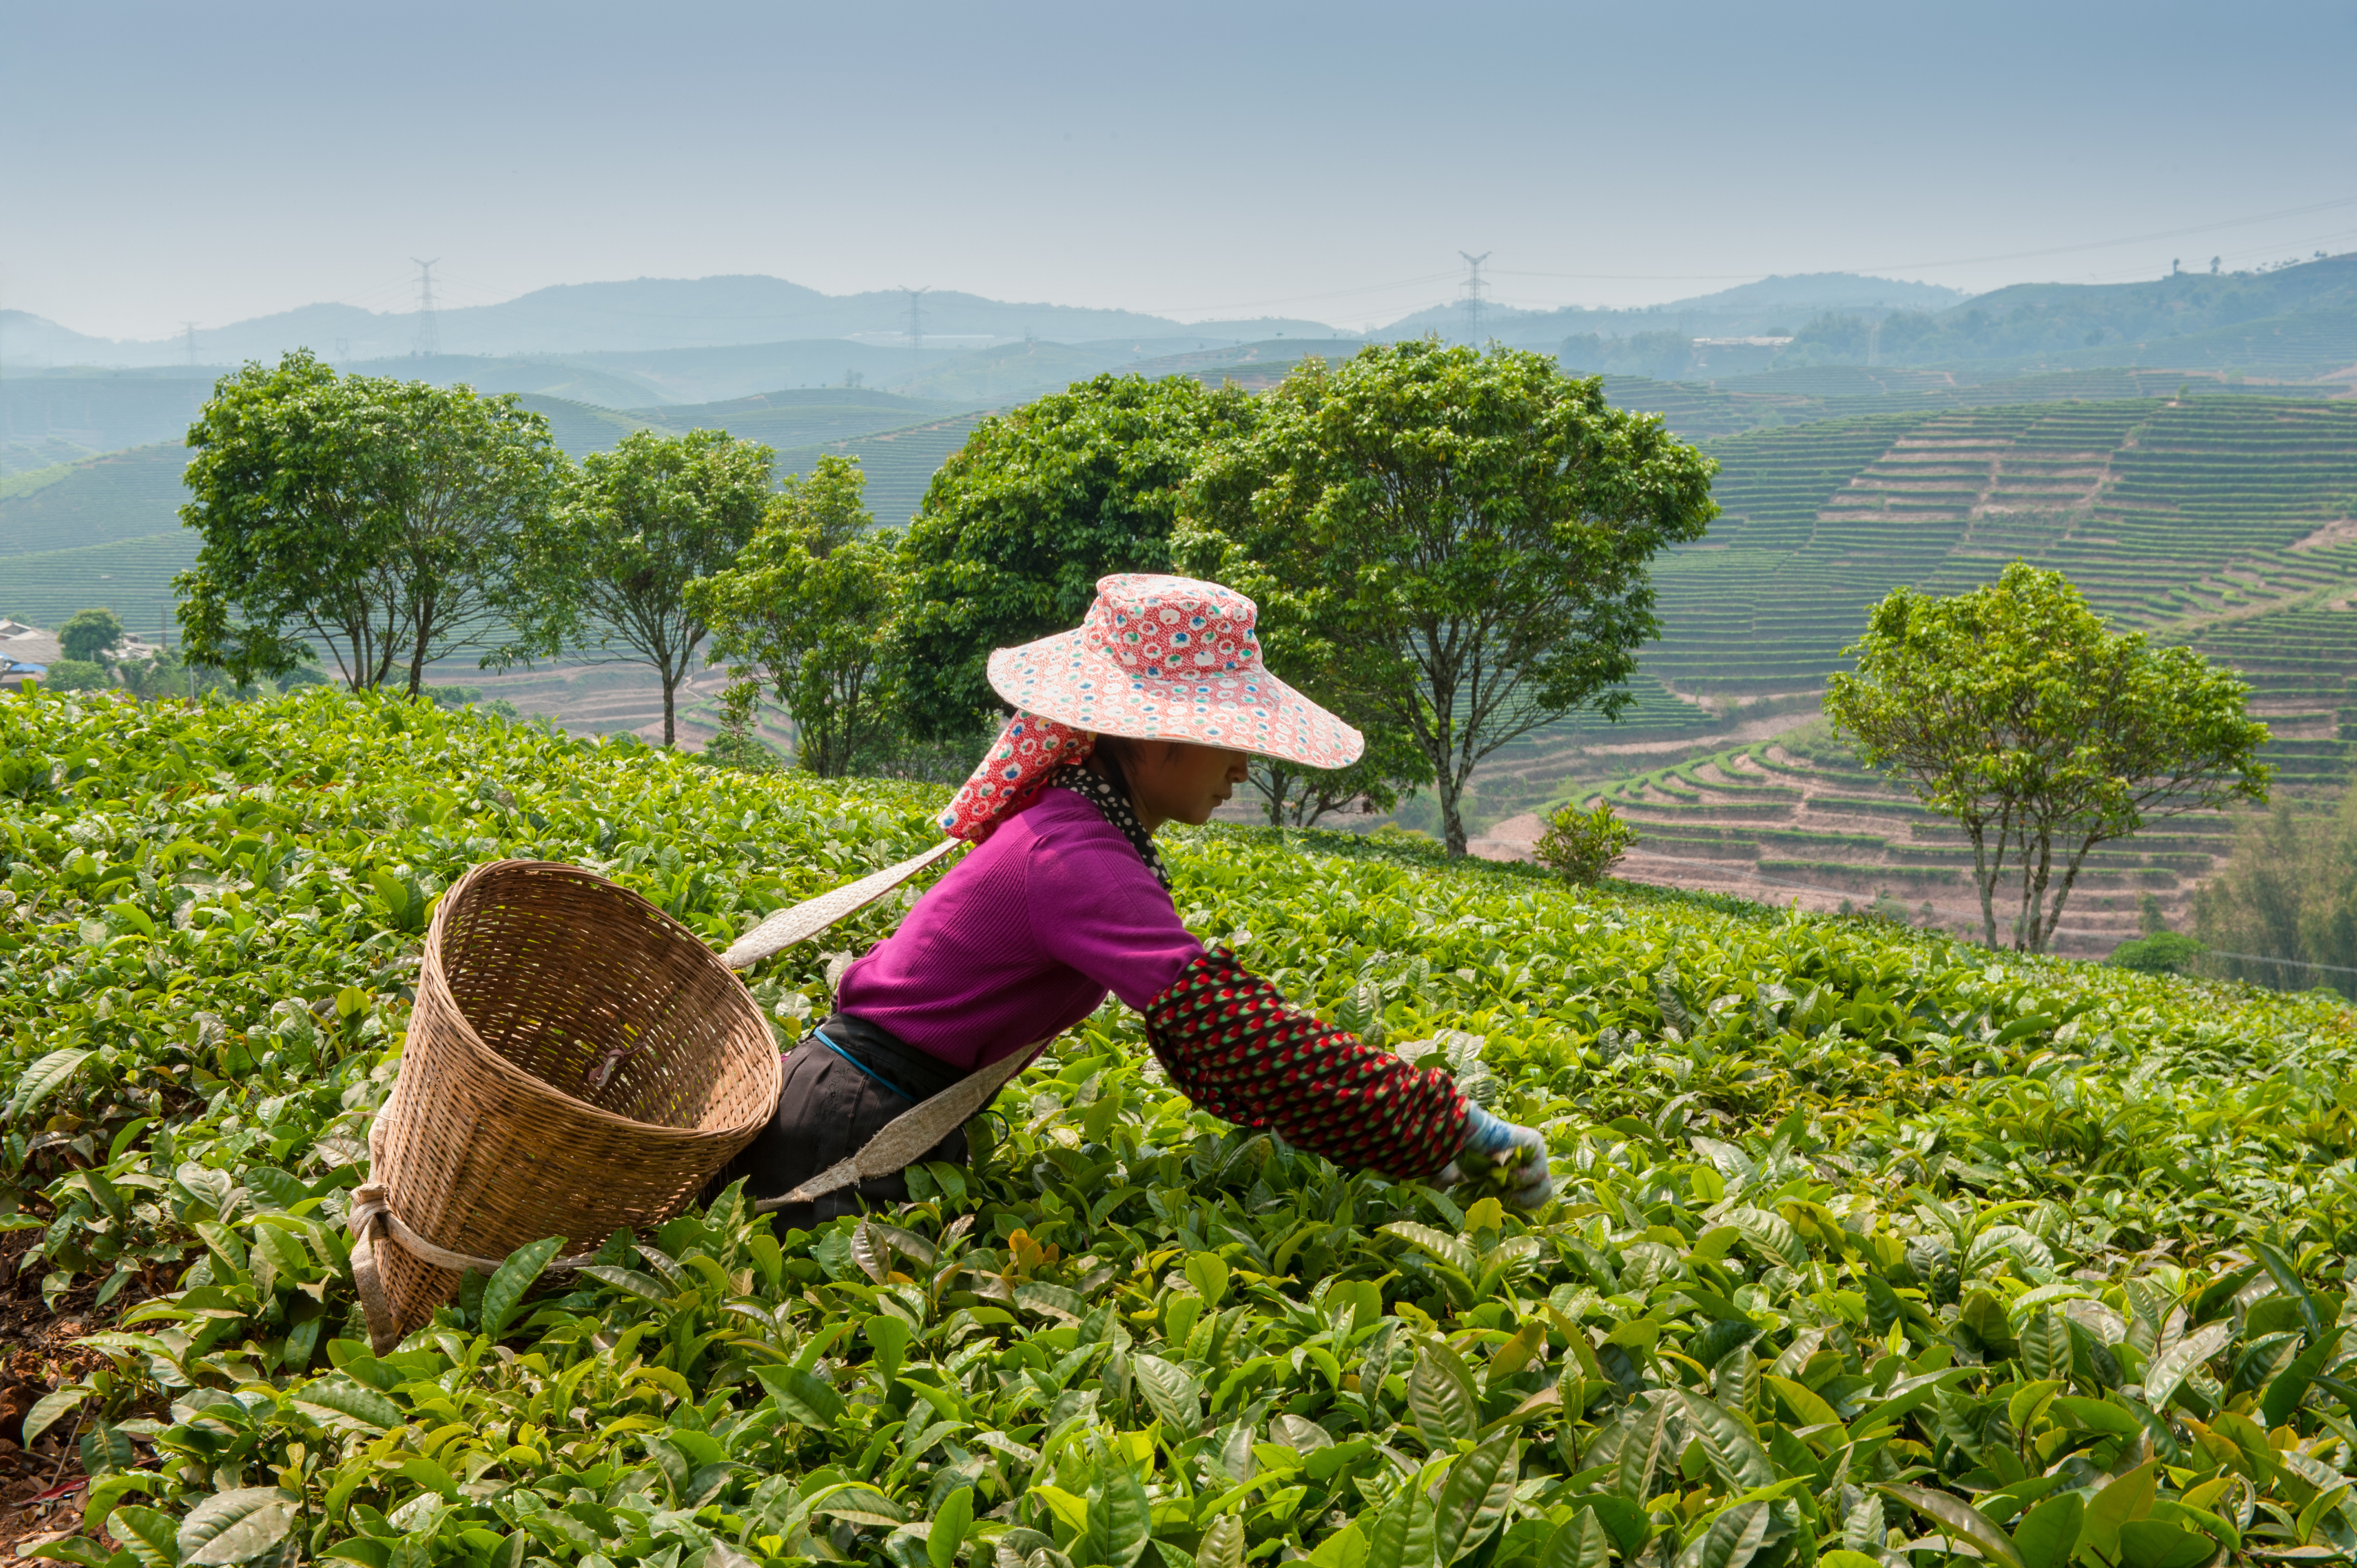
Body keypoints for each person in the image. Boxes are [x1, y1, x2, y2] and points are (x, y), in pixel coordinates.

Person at [718, 573, 1551, 1226]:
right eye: (1228, 742)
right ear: (1152, 739)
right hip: (854, 1117)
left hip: (877, 1102)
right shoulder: (1074, 857)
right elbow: (1228, 1028)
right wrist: (1443, 1126)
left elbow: (1207, 1027)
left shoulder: (1082, 824)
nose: (1242, 770)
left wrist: (1401, 1140)